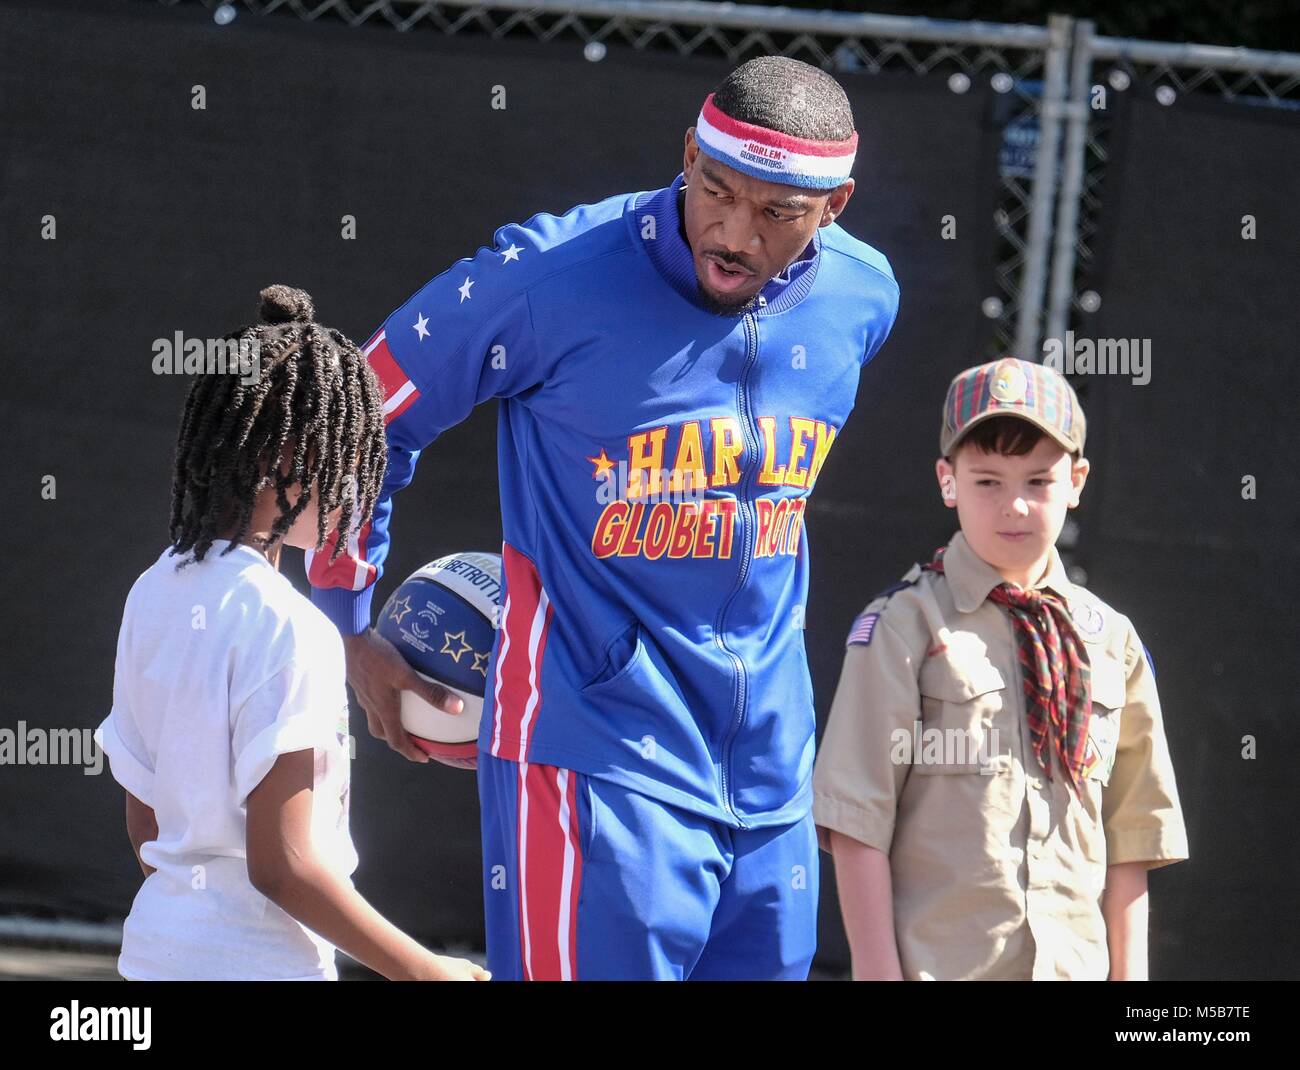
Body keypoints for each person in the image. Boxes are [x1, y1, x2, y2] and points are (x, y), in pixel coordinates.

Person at [309, 57, 901, 980]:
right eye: (715, 190)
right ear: (686, 156)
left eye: (777, 212)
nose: (735, 232)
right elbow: (359, 415)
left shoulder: (864, 297)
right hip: (593, 752)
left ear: (837, 205)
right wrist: (343, 625)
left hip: (773, 777)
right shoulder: (549, 276)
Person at [96, 285, 488, 981]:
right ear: (285, 457)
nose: (360, 496)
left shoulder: (151, 590)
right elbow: (285, 867)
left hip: (151, 956)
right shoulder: (292, 626)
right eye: (352, 459)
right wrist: (426, 970)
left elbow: (146, 826)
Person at [812, 356, 1189, 980]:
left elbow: (1134, 838)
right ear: (947, 480)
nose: (1014, 505)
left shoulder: (1111, 642)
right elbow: (857, 823)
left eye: (1038, 481)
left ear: (1077, 481)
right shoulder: (906, 626)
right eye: (987, 481)